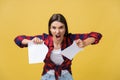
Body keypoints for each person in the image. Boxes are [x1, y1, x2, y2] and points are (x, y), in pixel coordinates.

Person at [14, 13, 102, 80]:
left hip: (66, 76)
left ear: (65, 29)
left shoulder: (71, 39)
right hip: (47, 76)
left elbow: (96, 35)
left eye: (61, 27)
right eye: (54, 28)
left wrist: (85, 42)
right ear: (50, 29)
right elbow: (18, 39)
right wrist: (31, 42)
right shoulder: (44, 40)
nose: (57, 31)